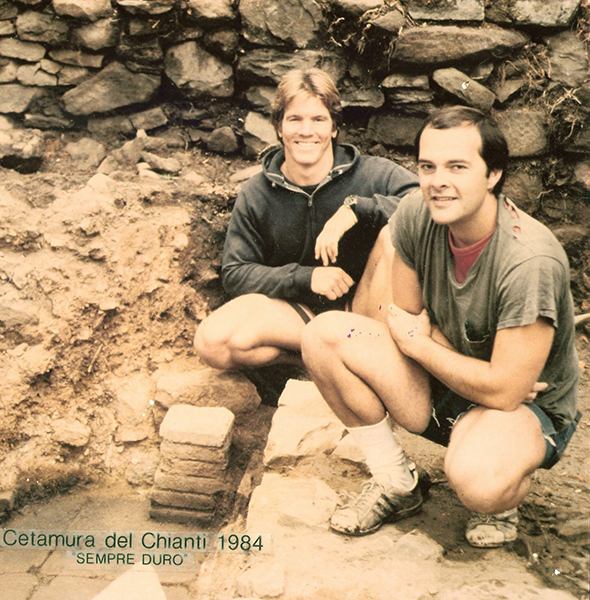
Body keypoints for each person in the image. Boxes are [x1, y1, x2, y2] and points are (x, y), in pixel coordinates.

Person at [300, 106, 581, 547]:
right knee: (325, 335)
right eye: (427, 167)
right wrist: (440, 353)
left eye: (457, 167)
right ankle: (396, 481)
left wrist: (425, 347)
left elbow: (506, 391)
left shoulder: (530, 262)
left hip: (523, 410)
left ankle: (501, 488)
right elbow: (404, 321)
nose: (437, 181)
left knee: (477, 482)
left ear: (493, 174)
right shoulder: (416, 213)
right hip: (456, 382)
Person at [193, 68, 419, 403]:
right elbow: (236, 272)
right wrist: (306, 278)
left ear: (334, 127)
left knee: (395, 233)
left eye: (318, 119)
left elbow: (427, 204)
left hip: (366, 313)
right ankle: (314, 363)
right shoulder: (257, 192)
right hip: (302, 318)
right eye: (295, 119)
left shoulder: (374, 174)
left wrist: (356, 209)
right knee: (212, 342)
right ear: (279, 127)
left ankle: (375, 366)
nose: (306, 131)